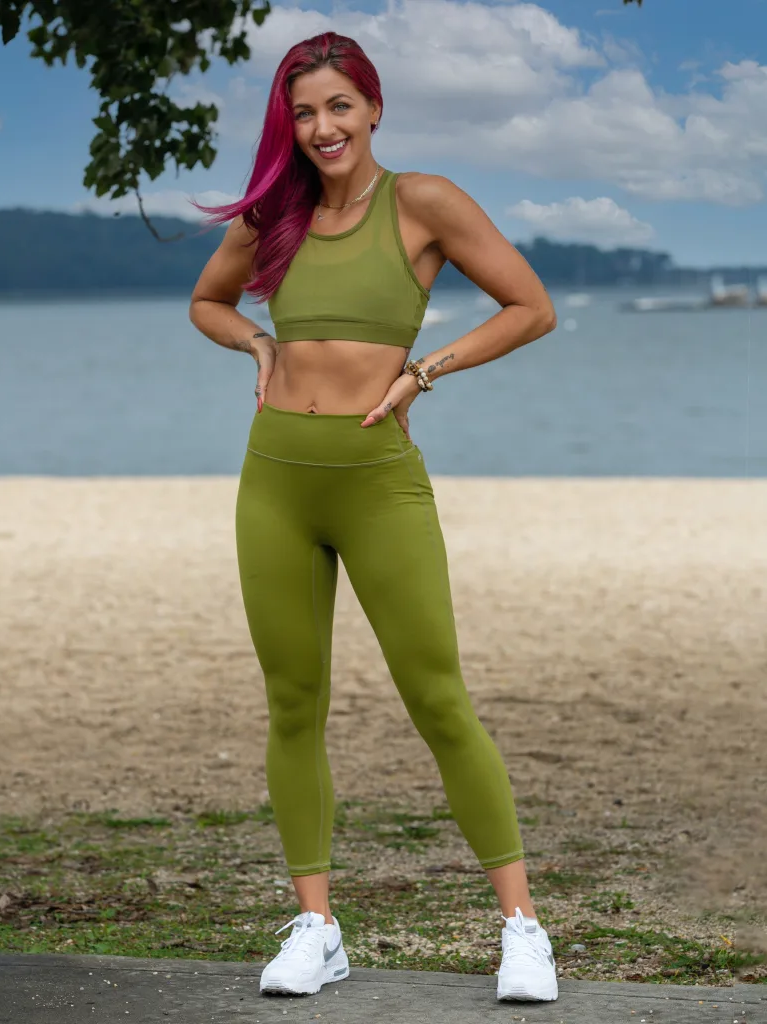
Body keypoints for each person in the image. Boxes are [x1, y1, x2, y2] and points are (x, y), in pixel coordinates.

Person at [189, 30, 558, 1005]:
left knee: (437, 696)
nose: (321, 128)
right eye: (303, 112)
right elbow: (205, 300)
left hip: (376, 480)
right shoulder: (276, 215)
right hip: (273, 479)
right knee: (292, 701)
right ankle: (316, 925)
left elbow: (529, 307)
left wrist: (423, 372)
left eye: (337, 107)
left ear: (373, 107)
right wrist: (258, 347)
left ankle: (522, 928)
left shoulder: (423, 202)